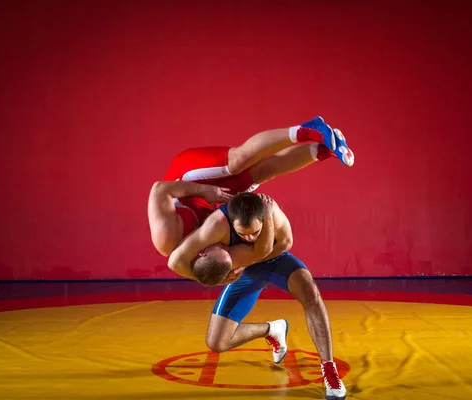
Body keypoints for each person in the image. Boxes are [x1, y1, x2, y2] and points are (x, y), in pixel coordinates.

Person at [167, 192, 347, 399]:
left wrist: (247, 260)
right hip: (245, 270)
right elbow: (175, 261)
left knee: (311, 294)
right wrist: (208, 279)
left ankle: (329, 368)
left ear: (263, 218)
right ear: (231, 223)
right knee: (217, 343)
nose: (250, 238)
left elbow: (286, 242)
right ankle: (273, 329)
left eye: (255, 233)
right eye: (242, 235)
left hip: (274, 259)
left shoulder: (271, 210)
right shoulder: (216, 224)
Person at [148, 116, 354, 281]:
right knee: (262, 172)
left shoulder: (167, 240)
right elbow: (268, 248)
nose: (224, 244)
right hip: (214, 199)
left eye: (219, 248)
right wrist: (238, 267)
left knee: (239, 161)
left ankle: (308, 130)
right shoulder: (222, 259)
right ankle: (326, 149)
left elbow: (159, 189)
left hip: (184, 181)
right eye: (227, 250)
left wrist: (203, 191)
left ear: (200, 254)